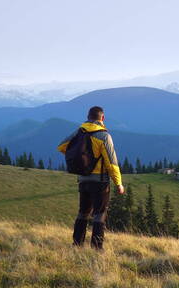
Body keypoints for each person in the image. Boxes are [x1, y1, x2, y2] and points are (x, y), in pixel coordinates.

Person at [57, 106, 124, 250]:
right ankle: (97, 248)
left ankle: (77, 244)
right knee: (99, 214)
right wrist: (118, 183)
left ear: (88, 117)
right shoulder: (104, 136)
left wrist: (82, 159)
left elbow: (62, 147)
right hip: (100, 181)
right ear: (102, 118)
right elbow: (111, 163)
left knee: (83, 212)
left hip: (83, 179)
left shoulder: (79, 131)